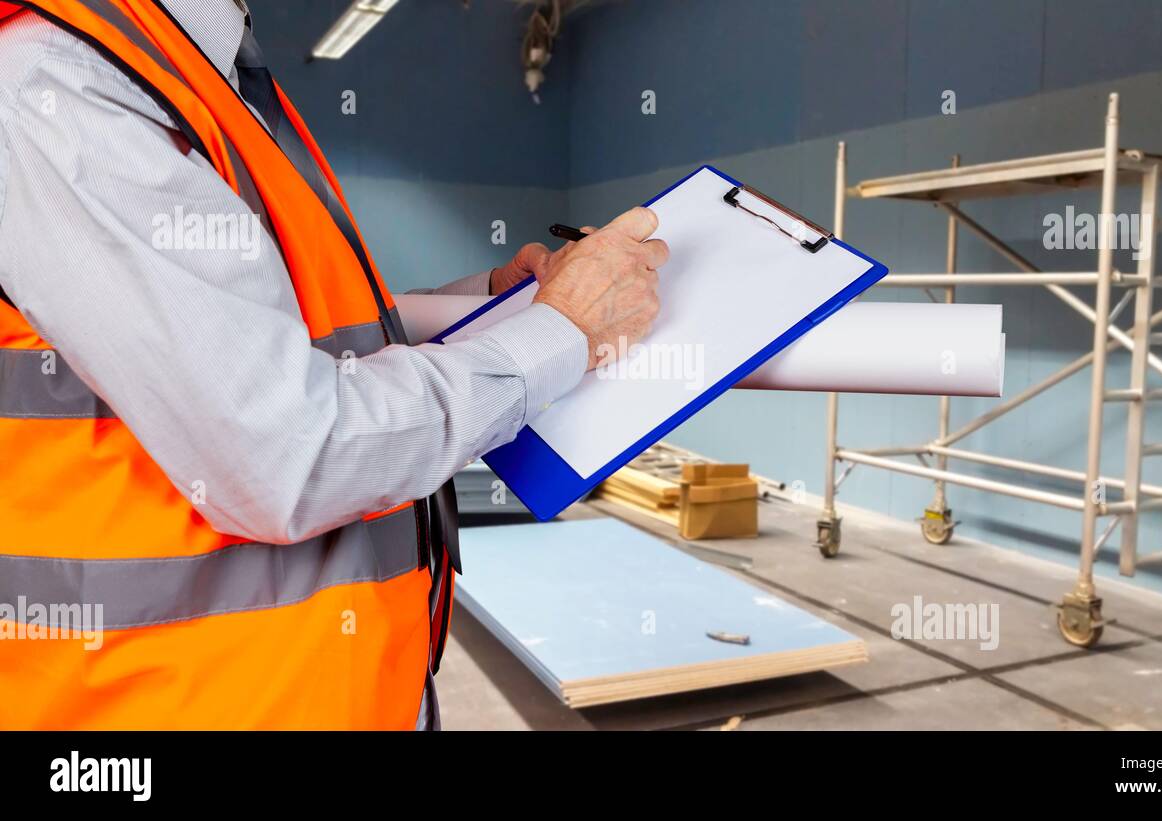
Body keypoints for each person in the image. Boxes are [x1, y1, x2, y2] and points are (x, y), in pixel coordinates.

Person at [0, 0, 665, 729]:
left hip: (331, 692)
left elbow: (299, 337)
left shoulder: (204, 75)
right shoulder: (58, 82)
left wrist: (496, 306)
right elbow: (288, 448)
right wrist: (560, 332)